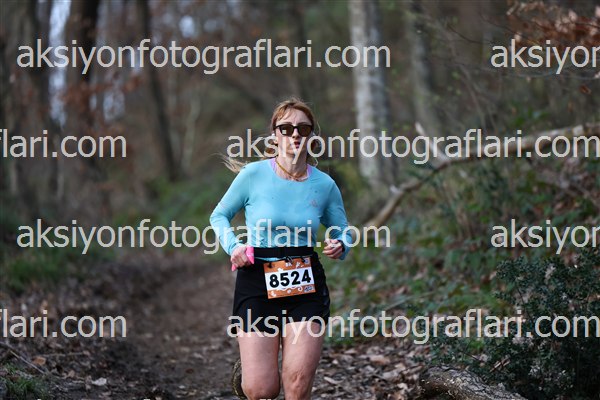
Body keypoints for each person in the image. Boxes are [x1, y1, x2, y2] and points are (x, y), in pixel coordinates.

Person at [210, 98, 351, 400]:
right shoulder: (253, 175)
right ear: (275, 135)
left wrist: (340, 243)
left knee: (297, 384)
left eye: (303, 128)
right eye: (286, 128)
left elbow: (342, 230)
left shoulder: (325, 185)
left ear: (312, 135)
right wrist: (234, 246)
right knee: (262, 390)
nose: (295, 134)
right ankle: (249, 375)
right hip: (256, 279)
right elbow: (219, 215)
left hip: (305, 283)